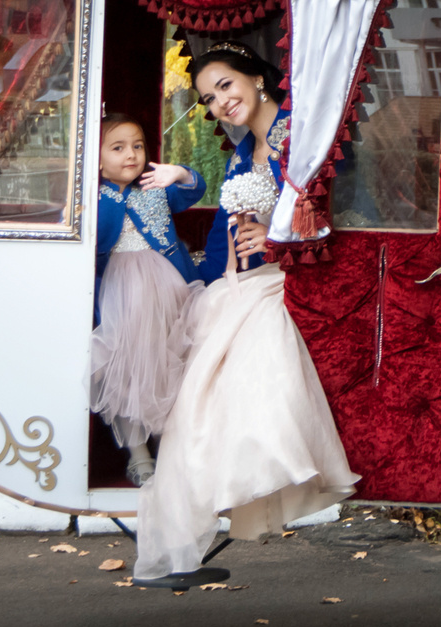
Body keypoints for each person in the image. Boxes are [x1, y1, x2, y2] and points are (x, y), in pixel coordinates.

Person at [132, 46, 358, 586]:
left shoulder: (298, 137)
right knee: (191, 404)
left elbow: (338, 208)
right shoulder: (244, 151)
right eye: (209, 98)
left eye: (227, 87)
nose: (220, 103)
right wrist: (204, 283)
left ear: (258, 78)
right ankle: (178, 552)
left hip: (280, 284)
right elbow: (225, 232)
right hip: (239, 283)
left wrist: (278, 241)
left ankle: (186, 542)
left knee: (208, 399)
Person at [89, 116, 202, 486]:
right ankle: (139, 456)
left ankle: (171, 449)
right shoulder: (92, 195)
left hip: (166, 288)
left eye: (137, 146)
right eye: (118, 147)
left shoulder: (155, 186)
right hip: (120, 293)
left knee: (169, 366)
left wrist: (179, 173)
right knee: (126, 372)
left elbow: (192, 190)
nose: (131, 155)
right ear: (97, 156)